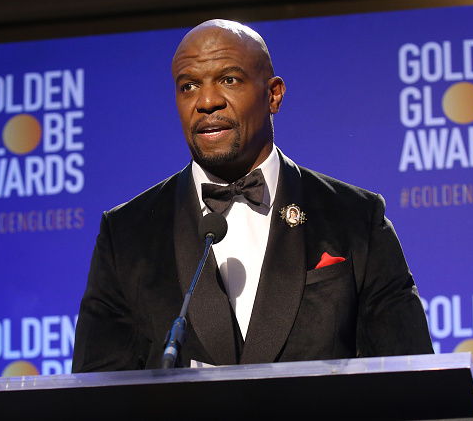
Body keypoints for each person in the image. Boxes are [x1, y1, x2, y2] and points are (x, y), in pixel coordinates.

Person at [72, 19, 433, 372]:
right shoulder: (127, 233)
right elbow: (93, 396)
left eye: (229, 80)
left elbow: (414, 381)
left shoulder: (355, 217)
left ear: (273, 94)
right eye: (189, 86)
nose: (207, 101)